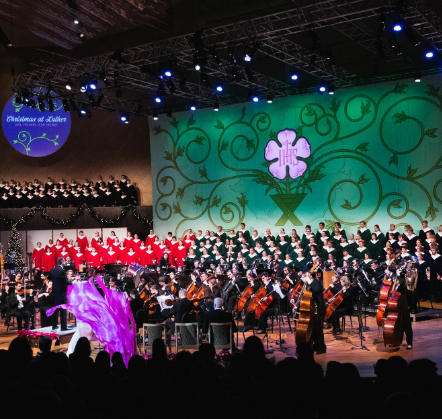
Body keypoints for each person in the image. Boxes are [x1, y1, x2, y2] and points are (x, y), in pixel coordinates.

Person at [302, 272, 326, 354]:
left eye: (306, 276)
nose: (305, 277)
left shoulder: (317, 282)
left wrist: (309, 281)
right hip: (313, 309)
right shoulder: (308, 284)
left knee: (319, 330)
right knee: (314, 329)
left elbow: (316, 290)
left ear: (310, 276)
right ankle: (316, 345)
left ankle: (322, 348)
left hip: (319, 309)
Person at [49, 257, 73, 331]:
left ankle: (54, 325)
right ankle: (63, 327)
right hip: (62, 293)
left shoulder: (52, 270)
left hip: (54, 293)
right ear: (62, 262)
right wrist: (71, 282)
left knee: (55, 309)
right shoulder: (62, 270)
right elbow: (65, 281)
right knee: (63, 310)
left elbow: (50, 278)